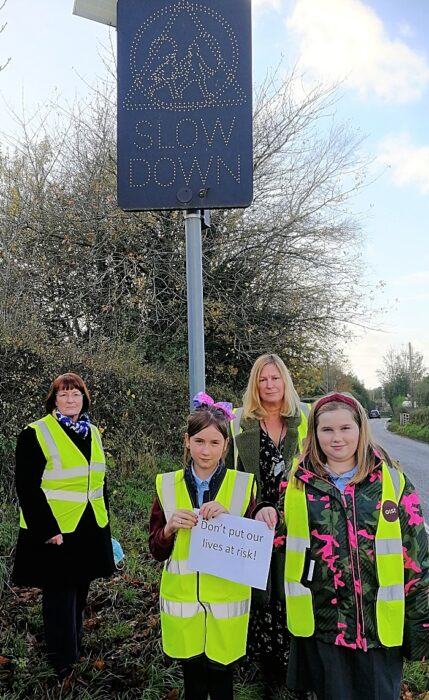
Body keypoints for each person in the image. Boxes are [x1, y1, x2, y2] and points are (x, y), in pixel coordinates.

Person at [258, 392, 429, 700]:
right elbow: (277, 542)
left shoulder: (393, 481)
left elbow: (418, 558)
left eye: (345, 428)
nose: (337, 438)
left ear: (361, 429)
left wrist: (422, 627)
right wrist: (259, 513)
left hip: (379, 631)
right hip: (325, 630)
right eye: (327, 430)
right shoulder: (296, 484)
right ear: (315, 434)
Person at [149, 393, 256, 700]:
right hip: (184, 605)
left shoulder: (242, 485)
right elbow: (156, 549)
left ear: (226, 445)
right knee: (193, 682)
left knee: (223, 683)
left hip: (226, 605)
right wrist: (169, 528)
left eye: (214, 443)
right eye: (199, 441)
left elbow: (254, 551)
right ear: (187, 441)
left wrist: (232, 520)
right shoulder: (166, 485)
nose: (205, 450)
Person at [12, 372, 115, 680]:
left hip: (89, 526)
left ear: (84, 399)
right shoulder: (36, 433)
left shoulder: (92, 432)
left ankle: (75, 647)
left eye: (76, 395)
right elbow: (26, 487)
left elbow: (99, 482)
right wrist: (47, 530)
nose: (71, 400)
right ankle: (62, 663)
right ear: (53, 400)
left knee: (80, 588)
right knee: (59, 595)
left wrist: (105, 525)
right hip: (55, 529)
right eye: (64, 395)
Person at [226, 353, 309, 698]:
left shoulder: (303, 421)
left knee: (293, 591)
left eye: (275, 378)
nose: (270, 385)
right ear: (254, 385)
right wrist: (254, 507)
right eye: (263, 379)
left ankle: (298, 666)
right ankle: (266, 669)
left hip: (297, 521)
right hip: (256, 522)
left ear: (285, 382)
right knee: (261, 596)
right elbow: (230, 476)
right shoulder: (239, 423)